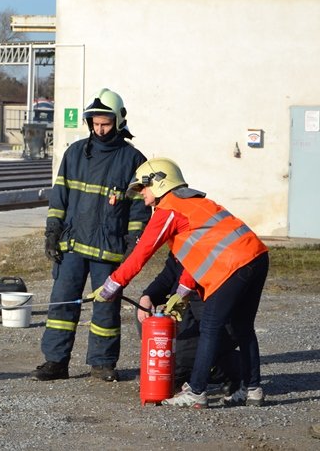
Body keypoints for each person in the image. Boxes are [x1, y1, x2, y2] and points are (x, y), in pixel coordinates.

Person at [92, 157, 269, 408]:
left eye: (143, 187)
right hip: (257, 257)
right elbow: (197, 255)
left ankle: (197, 391)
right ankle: (253, 389)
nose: (142, 194)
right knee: (244, 328)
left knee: (210, 327)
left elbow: (141, 253)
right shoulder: (197, 204)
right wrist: (183, 291)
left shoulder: (170, 210)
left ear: (159, 182)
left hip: (233, 266)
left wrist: (111, 285)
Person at [32, 88, 150, 383]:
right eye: (95, 123)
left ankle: (103, 364)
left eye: (105, 124)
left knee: (106, 309)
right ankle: (55, 362)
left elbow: (139, 210)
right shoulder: (75, 153)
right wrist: (52, 232)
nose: (99, 129)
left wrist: (132, 245)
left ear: (118, 121)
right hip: (72, 245)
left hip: (108, 250)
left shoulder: (133, 160)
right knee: (62, 303)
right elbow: (59, 197)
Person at [138, 252, 240, 392]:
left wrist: (179, 303)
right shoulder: (180, 249)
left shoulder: (211, 250)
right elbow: (168, 276)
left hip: (211, 313)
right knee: (144, 310)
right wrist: (148, 295)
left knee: (181, 356)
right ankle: (179, 372)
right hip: (188, 307)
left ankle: (235, 369)